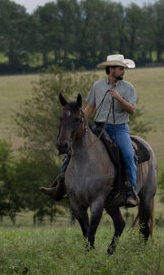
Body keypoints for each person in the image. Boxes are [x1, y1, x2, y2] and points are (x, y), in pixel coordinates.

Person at [41, 54, 140, 207]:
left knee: (128, 155)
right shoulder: (97, 86)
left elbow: (132, 110)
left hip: (119, 129)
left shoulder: (128, 88)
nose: (123, 71)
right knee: (74, 150)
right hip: (98, 126)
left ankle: (130, 192)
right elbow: (89, 109)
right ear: (111, 69)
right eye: (121, 68)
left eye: (124, 68)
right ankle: (58, 185)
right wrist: (79, 126)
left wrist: (119, 98)